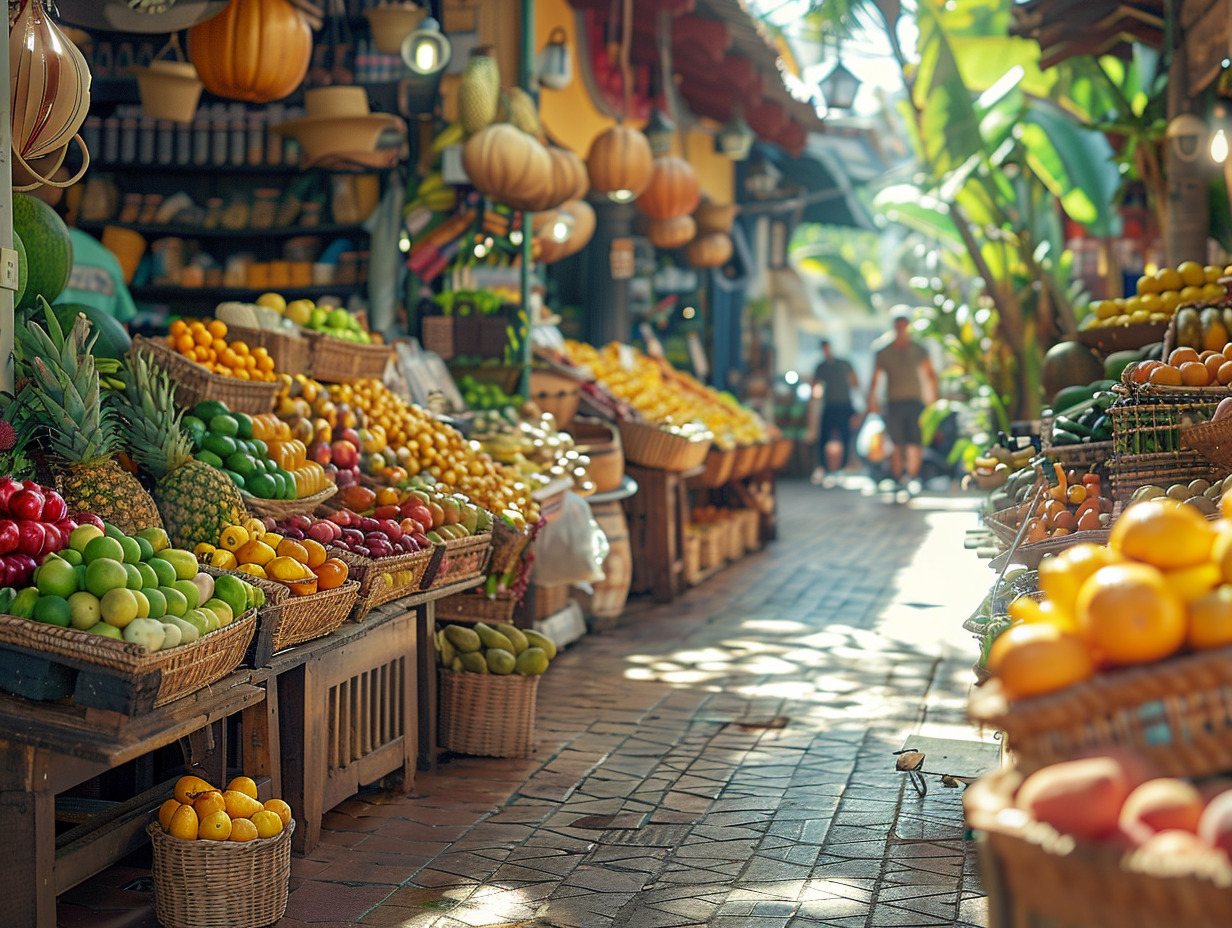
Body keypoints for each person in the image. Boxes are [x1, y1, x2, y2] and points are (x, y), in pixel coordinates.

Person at [867, 307, 938, 495]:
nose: (901, 328)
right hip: (893, 402)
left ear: (908, 326)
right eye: (897, 324)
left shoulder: (919, 349)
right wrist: (871, 402)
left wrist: (933, 401)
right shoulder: (883, 351)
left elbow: (930, 375)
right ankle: (898, 478)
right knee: (896, 443)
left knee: (914, 442)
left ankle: (912, 478)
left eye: (904, 324)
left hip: (915, 402)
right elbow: (874, 379)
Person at [810, 339, 860, 487]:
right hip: (829, 405)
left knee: (845, 437)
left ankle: (843, 467)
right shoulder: (821, 367)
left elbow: (854, 382)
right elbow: (816, 387)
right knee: (824, 437)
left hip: (845, 405)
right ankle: (824, 468)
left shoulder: (844, 363)